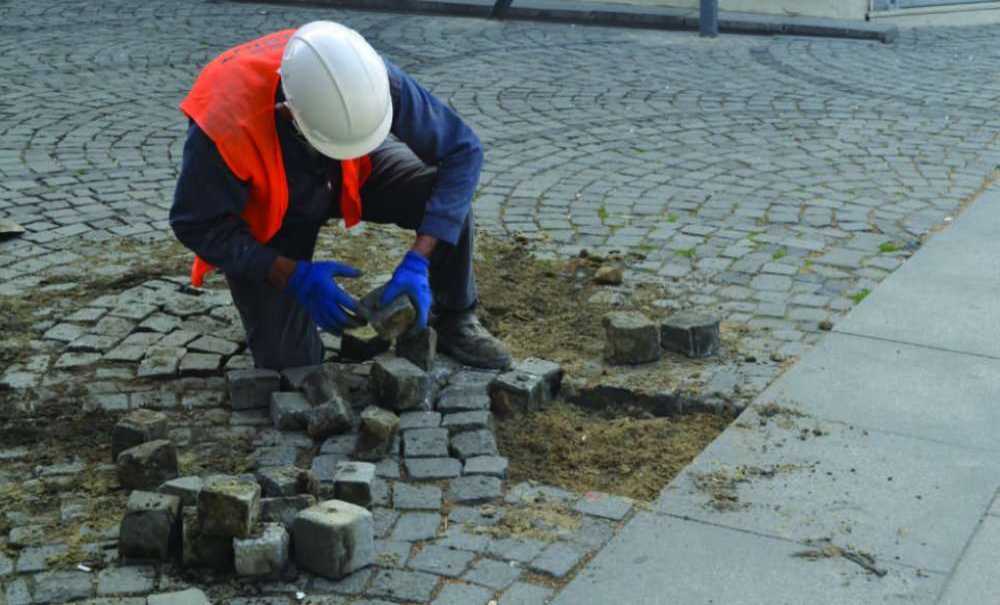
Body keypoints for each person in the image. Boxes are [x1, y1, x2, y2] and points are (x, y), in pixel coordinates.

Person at [170, 21, 511, 371]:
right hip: (270, 208)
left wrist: (419, 260)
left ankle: (455, 316)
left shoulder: (360, 71)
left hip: (351, 167)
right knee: (291, 365)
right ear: (288, 113)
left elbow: (462, 150)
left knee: (440, 195)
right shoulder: (224, 121)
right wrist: (289, 274)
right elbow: (194, 223)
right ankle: (292, 344)